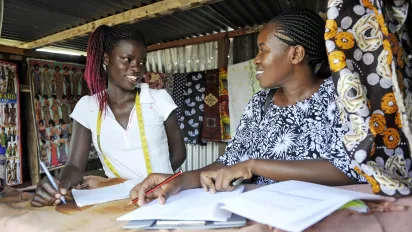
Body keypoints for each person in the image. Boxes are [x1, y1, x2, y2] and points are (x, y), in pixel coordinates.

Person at [130, 8, 365, 207]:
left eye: (263, 49)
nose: (256, 59)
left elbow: (350, 169)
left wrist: (254, 166)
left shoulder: (341, 98)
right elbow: (230, 163)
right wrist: (177, 181)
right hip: (262, 214)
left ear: (296, 54)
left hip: (320, 218)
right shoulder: (260, 104)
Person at [31, 24, 186, 207]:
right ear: (106, 59)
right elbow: (74, 165)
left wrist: (158, 181)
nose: (136, 68)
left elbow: (179, 153)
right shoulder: (88, 107)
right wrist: (60, 184)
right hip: (119, 201)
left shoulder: (158, 100)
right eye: (127, 59)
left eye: (142, 61)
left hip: (164, 198)